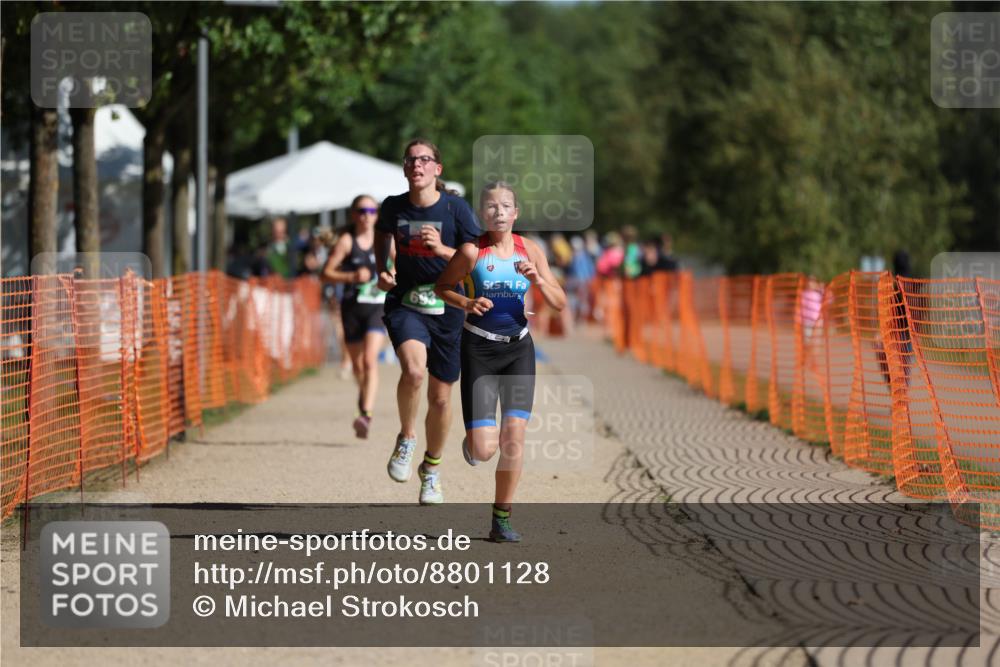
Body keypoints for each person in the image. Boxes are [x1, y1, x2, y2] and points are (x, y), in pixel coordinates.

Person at [435, 181, 566, 542]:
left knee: (514, 437)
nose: (499, 212)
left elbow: (560, 302)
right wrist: (466, 304)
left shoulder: (531, 250)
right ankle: (474, 441)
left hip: (518, 351)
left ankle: (501, 519)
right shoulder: (470, 252)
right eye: (491, 207)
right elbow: (441, 288)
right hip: (478, 350)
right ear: (482, 214)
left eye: (506, 206)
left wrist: (539, 279)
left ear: (516, 213)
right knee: (484, 449)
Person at [374, 139, 481, 505]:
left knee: (440, 398)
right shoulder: (393, 207)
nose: (417, 165)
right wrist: (382, 269)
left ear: (438, 168)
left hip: (448, 305)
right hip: (406, 300)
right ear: (405, 169)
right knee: (414, 372)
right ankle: (406, 438)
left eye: (425, 159)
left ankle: (431, 469)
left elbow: (475, 259)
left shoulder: (457, 210)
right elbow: (380, 234)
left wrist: (442, 250)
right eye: (410, 160)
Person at [322, 196, 390, 439]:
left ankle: (365, 414)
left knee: (370, 361)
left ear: (377, 215)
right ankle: (364, 397)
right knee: (358, 366)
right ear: (353, 214)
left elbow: (401, 264)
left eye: (371, 210)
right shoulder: (347, 241)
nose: (366, 215)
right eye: (361, 210)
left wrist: (393, 274)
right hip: (351, 308)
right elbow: (325, 273)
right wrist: (351, 277)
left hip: (377, 308)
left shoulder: (384, 239)